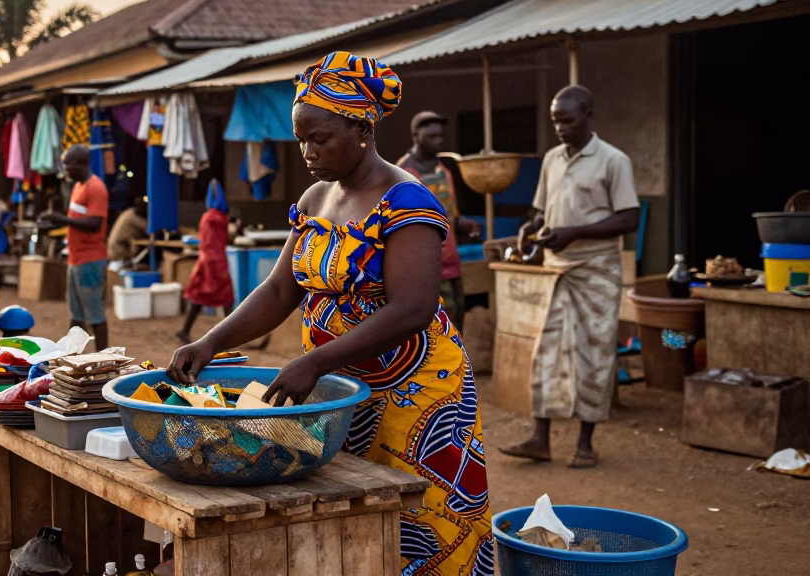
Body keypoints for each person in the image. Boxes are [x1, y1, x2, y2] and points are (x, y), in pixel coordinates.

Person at [168, 52, 493, 575]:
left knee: (425, 525)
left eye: (321, 138)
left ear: (362, 128)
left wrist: (315, 363)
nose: (308, 151)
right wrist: (211, 341)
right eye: (301, 139)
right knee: (354, 517)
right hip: (341, 389)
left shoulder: (407, 200)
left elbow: (413, 308)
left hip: (416, 395)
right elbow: (279, 291)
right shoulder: (316, 198)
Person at [500, 85, 639, 470]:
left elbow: (629, 218)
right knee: (547, 352)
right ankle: (540, 438)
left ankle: (586, 441)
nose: (560, 127)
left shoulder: (614, 160)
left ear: (588, 115)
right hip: (557, 268)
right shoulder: (552, 160)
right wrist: (534, 226)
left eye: (568, 119)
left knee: (594, 354)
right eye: (555, 120)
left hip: (597, 270)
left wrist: (575, 232)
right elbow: (545, 211)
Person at [396, 111, 482, 330]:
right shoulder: (404, 175)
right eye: (431, 137)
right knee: (435, 330)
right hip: (425, 270)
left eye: (441, 137)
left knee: (456, 324)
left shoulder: (444, 171)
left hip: (452, 265)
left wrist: (463, 225)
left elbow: (451, 215)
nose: (438, 142)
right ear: (416, 136)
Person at [41, 145, 110, 351]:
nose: (65, 169)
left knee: (95, 315)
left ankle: (104, 357)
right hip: (76, 258)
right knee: (76, 315)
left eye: (67, 164)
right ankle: (70, 356)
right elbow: (78, 219)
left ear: (81, 163)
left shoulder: (95, 188)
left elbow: (95, 223)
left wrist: (61, 219)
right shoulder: (79, 186)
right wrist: (54, 222)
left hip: (90, 259)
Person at [174, 181, 234, 344]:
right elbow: (227, 238)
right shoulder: (220, 218)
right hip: (217, 262)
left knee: (199, 297)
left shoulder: (206, 216)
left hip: (204, 261)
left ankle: (185, 330)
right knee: (226, 298)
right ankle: (230, 335)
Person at [106, 201, 148, 265]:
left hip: (114, 250)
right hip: (119, 252)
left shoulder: (128, 212)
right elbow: (149, 229)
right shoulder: (133, 216)